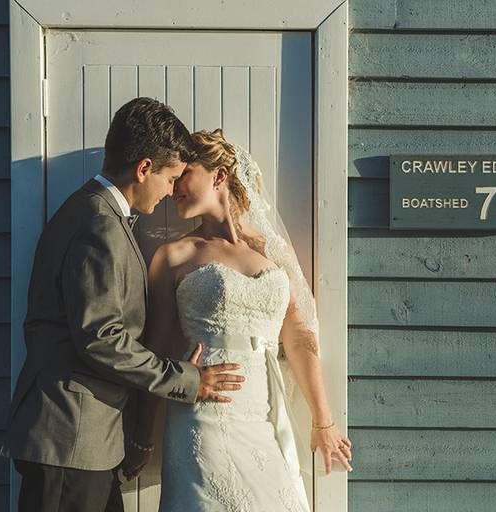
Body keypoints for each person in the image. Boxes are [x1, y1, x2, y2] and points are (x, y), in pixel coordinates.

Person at [0, 99, 245, 512]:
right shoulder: (100, 224)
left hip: (86, 442)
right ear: (144, 168)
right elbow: (101, 338)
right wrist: (187, 380)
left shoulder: (93, 212)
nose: (171, 192)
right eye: (170, 178)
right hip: (70, 439)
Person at [122, 129, 352, 511]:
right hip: (204, 415)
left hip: (262, 418)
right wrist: (143, 437)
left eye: (185, 173)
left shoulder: (270, 250)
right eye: (172, 177)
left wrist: (323, 421)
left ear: (219, 176)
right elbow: (158, 347)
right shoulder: (174, 255)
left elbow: (298, 337)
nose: (175, 185)